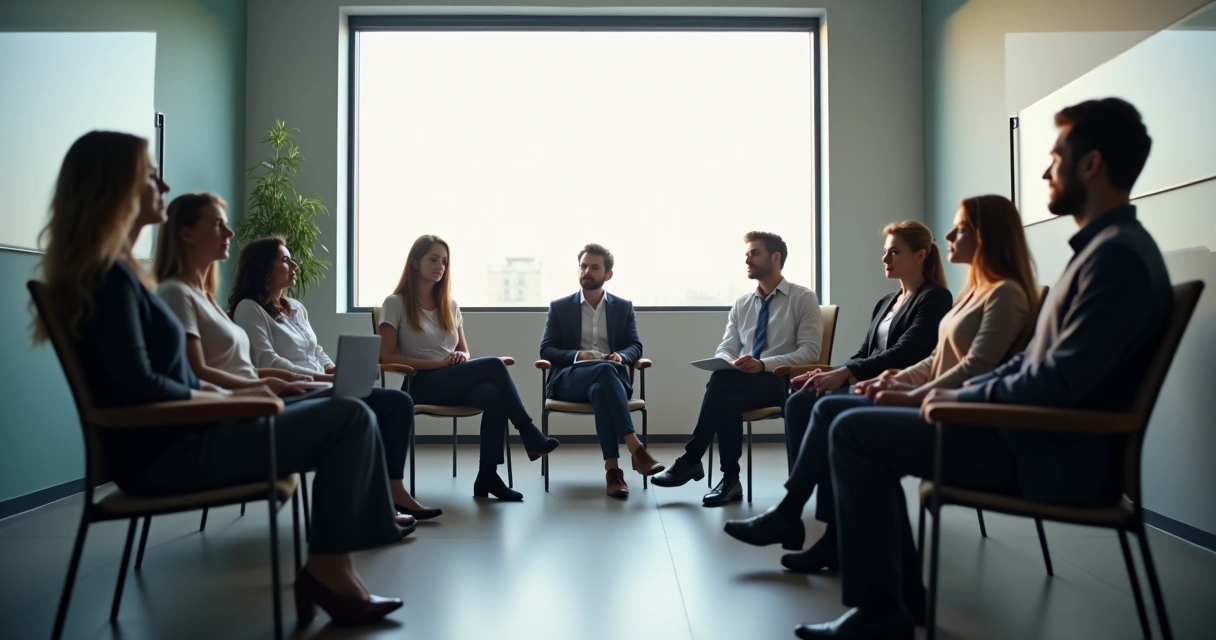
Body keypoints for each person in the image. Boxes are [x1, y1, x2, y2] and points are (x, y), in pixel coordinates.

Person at [794, 98, 1170, 639]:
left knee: (853, 429)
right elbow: (1026, 368)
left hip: (1049, 456)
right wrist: (932, 395)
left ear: (1091, 164)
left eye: (1055, 158)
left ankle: (882, 613)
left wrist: (941, 400)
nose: (1045, 172)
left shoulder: (1115, 257)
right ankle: (894, 601)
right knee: (846, 419)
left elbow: (1055, 381)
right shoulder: (1104, 251)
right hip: (1030, 438)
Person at [34, 131, 410, 626]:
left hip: (189, 436)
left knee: (352, 408)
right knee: (350, 418)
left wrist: (235, 390)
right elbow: (139, 390)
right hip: (173, 453)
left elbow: (154, 380)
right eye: (150, 175)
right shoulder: (111, 279)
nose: (163, 185)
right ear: (115, 186)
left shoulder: (120, 276)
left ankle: (336, 567)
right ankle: (331, 572)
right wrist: (226, 395)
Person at [724, 195, 1037, 586]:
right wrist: (854, 376)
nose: (947, 236)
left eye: (961, 229)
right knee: (805, 401)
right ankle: (825, 531)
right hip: (917, 391)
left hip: (952, 411)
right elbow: (931, 359)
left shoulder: (986, 295)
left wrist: (901, 390)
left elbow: (962, 365)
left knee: (827, 411)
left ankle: (798, 517)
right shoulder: (964, 295)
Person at [152, 196, 426, 524]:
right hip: (244, 409)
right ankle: (367, 513)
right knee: (357, 410)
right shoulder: (180, 294)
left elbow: (302, 353)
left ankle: (376, 504)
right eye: (217, 224)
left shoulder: (205, 297)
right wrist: (267, 383)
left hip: (261, 395)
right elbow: (198, 371)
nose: (229, 233)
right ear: (186, 234)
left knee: (387, 403)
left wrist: (322, 371)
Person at [230, 235, 441, 520]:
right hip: (291, 391)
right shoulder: (249, 308)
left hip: (320, 384)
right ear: (263, 267)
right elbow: (267, 361)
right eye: (285, 260)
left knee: (399, 402)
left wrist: (333, 368)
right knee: (374, 406)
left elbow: (315, 349)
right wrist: (323, 378)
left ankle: (393, 489)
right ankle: (372, 500)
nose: (295, 265)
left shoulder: (296, 307)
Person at [378, 235, 559, 502]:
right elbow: (386, 356)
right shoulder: (395, 303)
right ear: (415, 262)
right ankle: (528, 432)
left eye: (444, 261)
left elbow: (464, 350)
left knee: (494, 395)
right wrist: (439, 364)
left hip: (451, 379)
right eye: (433, 259)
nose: (440, 266)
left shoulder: (449, 305)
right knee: (494, 364)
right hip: (420, 383)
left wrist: (459, 357)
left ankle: (488, 475)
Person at [651, 231, 823, 506]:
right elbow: (727, 346)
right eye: (746, 254)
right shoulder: (742, 304)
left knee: (721, 382)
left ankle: (692, 459)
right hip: (743, 383)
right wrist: (728, 361)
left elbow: (810, 352)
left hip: (782, 384)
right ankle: (730, 480)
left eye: (754, 253)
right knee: (728, 396)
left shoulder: (803, 298)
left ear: (775, 257)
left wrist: (763, 364)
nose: (747, 259)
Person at [783, 221, 953, 467]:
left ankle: (806, 485)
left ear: (920, 256)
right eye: (885, 251)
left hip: (893, 385)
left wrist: (844, 373)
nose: (885, 259)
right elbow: (865, 352)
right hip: (863, 379)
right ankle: (808, 481)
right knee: (798, 399)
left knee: (812, 402)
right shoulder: (886, 302)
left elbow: (904, 353)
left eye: (895, 252)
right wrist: (829, 372)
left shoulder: (935, 297)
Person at [539, 243, 664, 498]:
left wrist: (621, 356)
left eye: (594, 267)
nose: (587, 271)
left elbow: (635, 346)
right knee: (604, 372)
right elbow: (546, 349)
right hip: (570, 380)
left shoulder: (623, 307)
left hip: (611, 382)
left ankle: (613, 471)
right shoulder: (560, 307)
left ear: (608, 274)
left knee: (601, 387)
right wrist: (579, 355)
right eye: (583, 266)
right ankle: (636, 448)